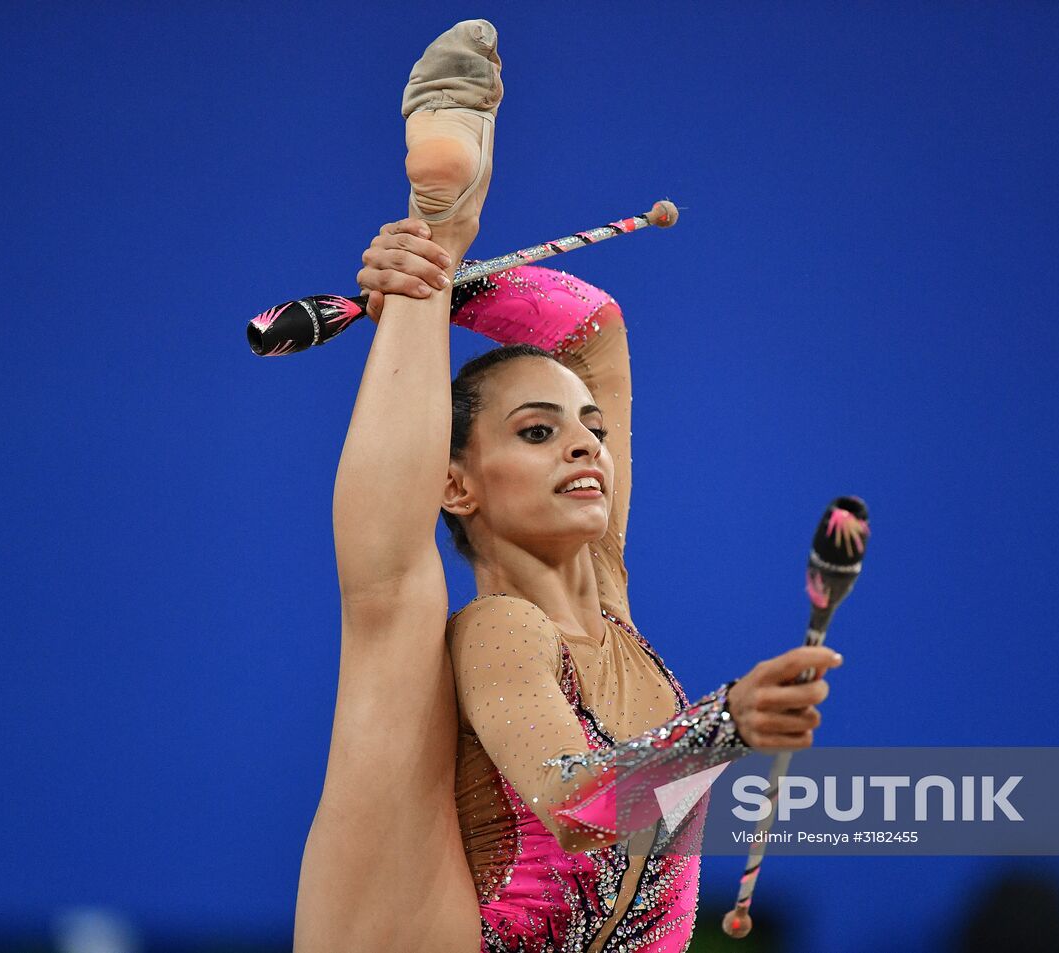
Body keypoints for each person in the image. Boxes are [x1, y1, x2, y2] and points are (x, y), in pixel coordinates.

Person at [293, 20, 841, 953]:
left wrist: (442, 286)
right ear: (457, 485)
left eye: (591, 429)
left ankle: (436, 237)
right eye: (538, 433)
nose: (586, 445)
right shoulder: (501, 629)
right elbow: (581, 800)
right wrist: (725, 723)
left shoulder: (609, 595)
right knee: (387, 615)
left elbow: (592, 329)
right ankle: (439, 222)